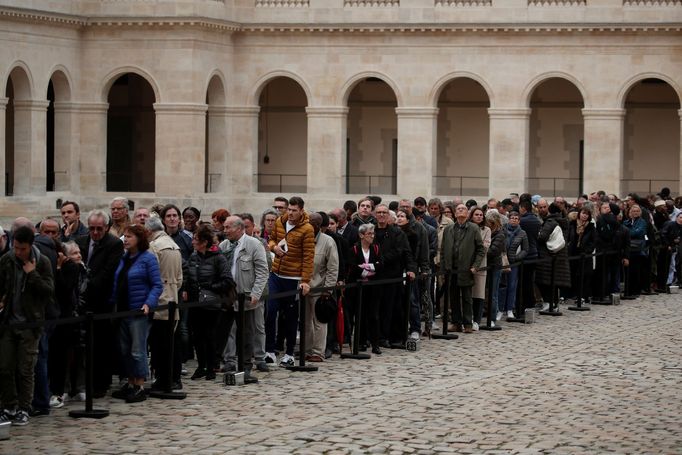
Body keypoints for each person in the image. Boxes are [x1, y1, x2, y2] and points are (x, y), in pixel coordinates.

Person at [0, 225, 54, 426]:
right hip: (9, 323)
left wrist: (32, 274)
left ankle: (24, 407)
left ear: (30, 246)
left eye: (22, 248)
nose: (18, 252)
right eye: (15, 247)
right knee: (5, 367)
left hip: (31, 324)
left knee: (26, 369)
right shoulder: (6, 261)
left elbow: (48, 291)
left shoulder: (42, 262)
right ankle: (9, 405)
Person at [110, 225, 163, 403]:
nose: (125, 239)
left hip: (138, 311)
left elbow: (157, 284)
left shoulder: (148, 259)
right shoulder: (125, 258)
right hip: (123, 310)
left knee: (137, 350)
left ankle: (139, 385)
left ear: (139, 239)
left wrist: (149, 303)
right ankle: (131, 382)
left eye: (129, 236)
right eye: (124, 236)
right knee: (125, 350)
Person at [75, 209, 124, 397]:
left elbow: (108, 272)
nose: (95, 233)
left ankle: (100, 384)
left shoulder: (113, 245)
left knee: (101, 344)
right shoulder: (81, 242)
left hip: (101, 301)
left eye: (99, 229)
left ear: (106, 228)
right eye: (92, 229)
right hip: (82, 301)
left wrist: (88, 285)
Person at [265, 196, 315, 367]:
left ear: (301, 210)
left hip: (293, 278)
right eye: (289, 209)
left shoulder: (307, 229)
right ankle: (270, 351)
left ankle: (289, 353)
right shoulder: (280, 222)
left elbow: (309, 256)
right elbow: (270, 239)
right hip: (276, 275)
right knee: (270, 313)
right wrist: (274, 247)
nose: (291, 213)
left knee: (291, 317)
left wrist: (305, 280)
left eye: (294, 210)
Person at [184, 225, 233, 381]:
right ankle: (201, 366)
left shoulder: (219, 258)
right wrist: (187, 288)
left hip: (212, 303)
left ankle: (211, 366)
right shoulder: (193, 256)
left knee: (210, 335)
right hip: (195, 302)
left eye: (196, 239)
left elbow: (227, 281)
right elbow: (189, 276)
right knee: (197, 336)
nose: (192, 242)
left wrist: (210, 288)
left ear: (204, 242)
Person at [223, 216, 269, 381]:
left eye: (228, 227)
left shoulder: (253, 244)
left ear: (239, 228)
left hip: (247, 297)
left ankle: (246, 366)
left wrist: (256, 293)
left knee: (247, 333)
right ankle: (229, 361)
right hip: (228, 298)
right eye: (225, 227)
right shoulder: (225, 245)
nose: (225, 230)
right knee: (228, 331)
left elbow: (263, 271)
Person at [147, 215, 184, 392]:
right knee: (171, 341)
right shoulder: (173, 245)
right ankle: (172, 377)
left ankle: (165, 378)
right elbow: (179, 278)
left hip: (160, 300)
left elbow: (152, 276)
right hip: (172, 296)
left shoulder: (154, 247)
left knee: (161, 343)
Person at [372, 204, 416, 348]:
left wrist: (411, 269)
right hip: (374, 276)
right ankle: (375, 336)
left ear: (389, 216)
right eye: (379, 212)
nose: (382, 215)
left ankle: (390, 336)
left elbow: (404, 252)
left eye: (384, 212)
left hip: (392, 275)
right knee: (375, 308)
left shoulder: (397, 233)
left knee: (391, 308)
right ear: (375, 215)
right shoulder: (370, 231)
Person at [441, 204, 484, 334]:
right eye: (458, 209)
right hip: (451, 269)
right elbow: (443, 250)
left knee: (466, 297)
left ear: (467, 213)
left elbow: (480, 249)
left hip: (466, 268)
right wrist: (444, 267)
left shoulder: (473, 228)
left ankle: (467, 323)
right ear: (454, 213)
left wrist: (475, 266)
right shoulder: (448, 229)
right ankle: (456, 322)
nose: (460, 210)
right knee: (453, 297)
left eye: (463, 209)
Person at [303, 213, 339, 362]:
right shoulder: (302, 238)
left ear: (318, 225)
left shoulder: (328, 242)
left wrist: (328, 290)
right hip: (303, 288)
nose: (308, 224)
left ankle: (318, 352)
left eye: (311, 222)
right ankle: (306, 350)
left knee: (319, 322)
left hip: (319, 288)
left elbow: (333, 267)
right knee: (305, 322)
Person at [348, 223, 382, 354]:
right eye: (369, 234)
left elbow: (380, 264)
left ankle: (375, 343)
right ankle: (361, 342)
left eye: (373, 234)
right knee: (360, 314)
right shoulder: (355, 249)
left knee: (374, 315)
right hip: (358, 288)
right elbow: (353, 267)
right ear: (361, 235)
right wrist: (365, 271)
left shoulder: (376, 248)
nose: (372, 236)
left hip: (373, 288)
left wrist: (368, 267)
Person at [536, 203, 571, 309]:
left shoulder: (550, 222)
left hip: (548, 256)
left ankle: (548, 303)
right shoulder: (563, 221)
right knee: (554, 282)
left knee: (545, 282)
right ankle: (554, 304)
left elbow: (542, 237)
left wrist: (538, 233)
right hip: (559, 255)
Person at [498, 211, 528, 319]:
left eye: (516, 218)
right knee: (501, 286)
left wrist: (517, 258)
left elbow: (525, 249)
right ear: (509, 219)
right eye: (512, 218)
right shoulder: (502, 230)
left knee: (512, 286)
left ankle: (510, 309)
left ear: (519, 221)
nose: (514, 220)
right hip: (502, 262)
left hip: (514, 263)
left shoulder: (522, 233)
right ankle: (500, 309)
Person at [567, 208, 596, 303]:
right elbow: (568, 237)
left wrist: (588, 250)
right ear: (579, 214)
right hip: (573, 253)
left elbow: (594, 241)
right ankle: (573, 294)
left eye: (587, 214)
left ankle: (584, 295)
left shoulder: (591, 226)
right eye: (583, 213)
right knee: (574, 274)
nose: (585, 216)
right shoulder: (572, 224)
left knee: (585, 275)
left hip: (585, 255)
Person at [469, 207, 490, 330]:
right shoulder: (467, 228)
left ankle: (476, 320)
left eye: (481, 215)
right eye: (476, 214)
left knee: (479, 293)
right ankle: (468, 318)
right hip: (466, 264)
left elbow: (485, 246)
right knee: (468, 293)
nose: (479, 217)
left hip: (481, 265)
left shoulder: (486, 229)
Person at [486, 210, 506, 324]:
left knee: (493, 293)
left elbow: (493, 251)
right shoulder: (486, 231)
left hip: (494, 266)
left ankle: (492, 318)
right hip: (486, 266)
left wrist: (481, 250)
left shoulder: (500, 234)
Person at [624, 204, 649, 296]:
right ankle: (628, 289)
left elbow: (638, 232)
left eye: (637, 211)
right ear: (630, 212)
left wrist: (627, 233)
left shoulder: (642, 222)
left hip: (638, 250)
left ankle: (635, 290)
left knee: (636, 271)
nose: (635, 213)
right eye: (634, 211)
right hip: (628, 249)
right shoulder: (627, 222)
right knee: (628, 271)